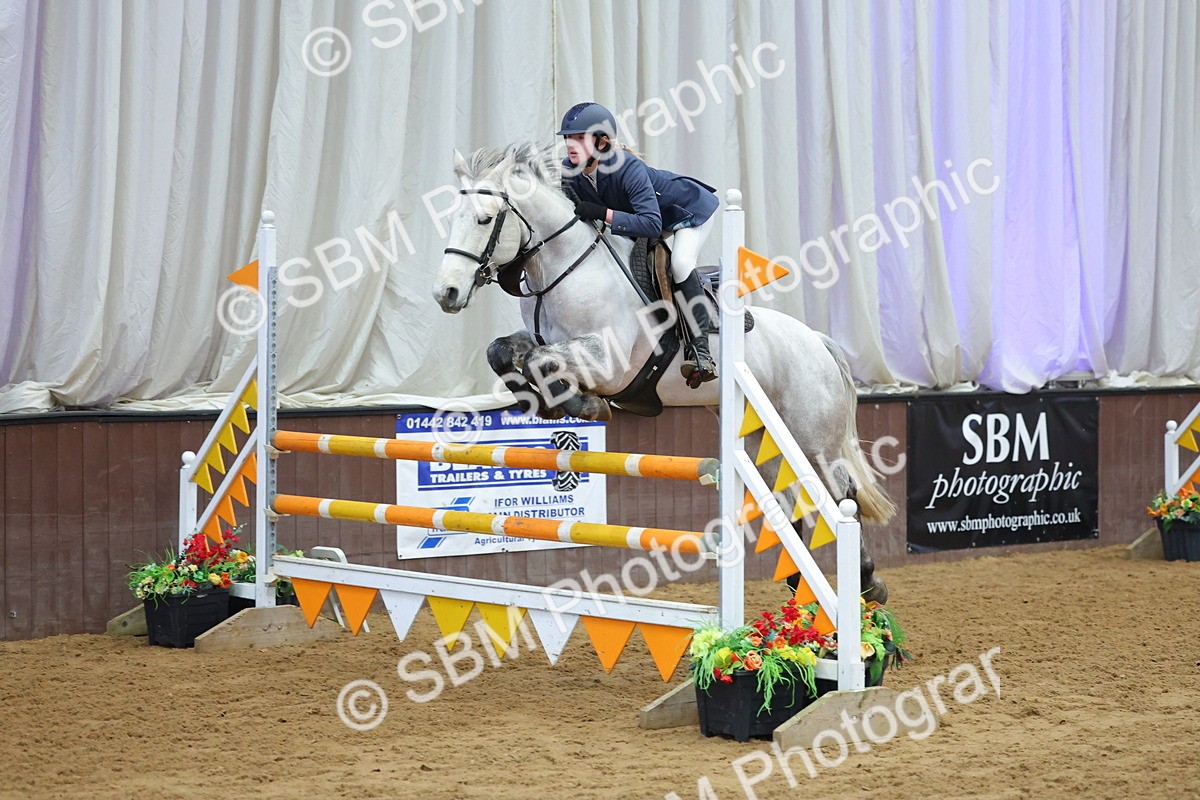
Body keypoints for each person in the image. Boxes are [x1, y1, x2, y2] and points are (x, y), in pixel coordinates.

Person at [557, 102, 720, 386]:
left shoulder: (627, 167)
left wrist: (603, 213)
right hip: (641, 219)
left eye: (580, 138)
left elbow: (651, 224)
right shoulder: (569, 171)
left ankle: (700, 352)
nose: (571, 145)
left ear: (601, 142)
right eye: (569, 138)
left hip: (686, 213)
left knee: (680, 264)